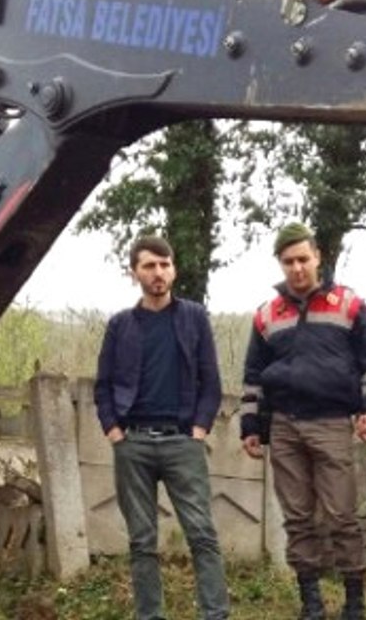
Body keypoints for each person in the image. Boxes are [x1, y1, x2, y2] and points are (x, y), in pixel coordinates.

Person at [240, 222, 366, 620]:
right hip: (285, 426)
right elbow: (253, 377)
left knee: (342, 515)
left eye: (303, 259)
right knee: (298, 517)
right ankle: (311, 601)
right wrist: (251, 427)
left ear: (318, 257)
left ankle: (354, 600)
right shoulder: (266, 315)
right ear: (280, 264)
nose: (297, 268)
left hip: (332, 422)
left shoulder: (349, 305)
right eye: (288, 262)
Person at [94, 236, 229, 620]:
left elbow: (211, 382)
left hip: (182, 443)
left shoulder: (193, 317)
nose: (158, 273)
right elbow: (102, 385)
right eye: (149, 266)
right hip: (132, 443)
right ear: (134, 271)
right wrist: (114, 433)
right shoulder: (121, 325)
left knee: (202, 534)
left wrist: (199, 431)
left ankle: (215, 614)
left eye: (164, 264)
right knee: (142, 541)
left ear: (174, 269)